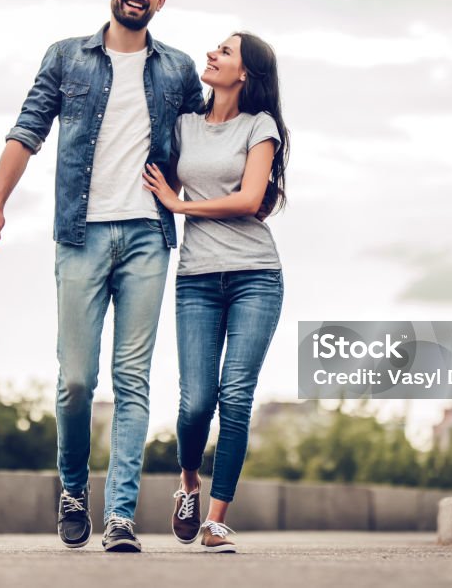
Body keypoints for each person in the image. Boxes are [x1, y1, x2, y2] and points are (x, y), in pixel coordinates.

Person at [0, 0, 203, 553]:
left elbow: (204, 144)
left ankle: (121, 515)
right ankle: (73, 489)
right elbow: (26, 131)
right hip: (79, 235)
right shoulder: (65, 57)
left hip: (149, 238)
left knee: (133, 380)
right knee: (76, 379)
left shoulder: (179, 69)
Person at [141, 31, 290, 553]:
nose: (212, 54)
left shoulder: (260, 126)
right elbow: (158, 179)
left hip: (256, 275)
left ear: (244, 73)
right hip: (197, 279)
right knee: (196, 401)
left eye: (225, 52)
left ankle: (218, 520)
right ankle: (187, 486)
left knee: (236, 398)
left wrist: (180, 208)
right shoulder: (184, 126)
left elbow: (251, 199)